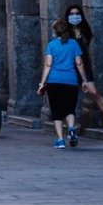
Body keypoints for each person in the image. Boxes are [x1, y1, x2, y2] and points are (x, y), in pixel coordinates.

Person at [63, 3, 103, 133]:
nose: (75, 16)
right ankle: (72, 126)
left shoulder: (85, 31)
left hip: (85, 66)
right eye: (72, 14)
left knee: (94, 92)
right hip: (70, 68)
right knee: (70, 97)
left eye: (77, 14)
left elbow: (86, 48)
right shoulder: (65, 33)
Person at [39, 13, 85, 148]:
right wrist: (84, 80)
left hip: (54, 81)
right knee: (70, 109)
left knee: (56, 111)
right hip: (70, 81)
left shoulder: (51, 45)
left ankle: (60, 140)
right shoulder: (74, 44)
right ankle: (71, 128)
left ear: (55, 31)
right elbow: (79, 63)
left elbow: (48, 65)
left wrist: (42, 82)